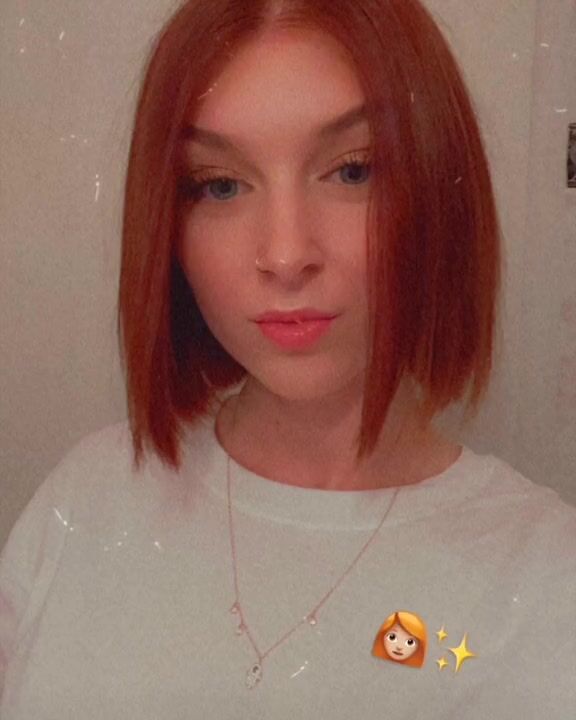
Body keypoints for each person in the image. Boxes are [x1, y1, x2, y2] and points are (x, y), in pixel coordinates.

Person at [1, 0, 575, 717]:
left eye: (353, 172)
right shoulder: (84, 501)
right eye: (220, 185)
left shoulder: (544, 578)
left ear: (439, 188)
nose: (284, 254)